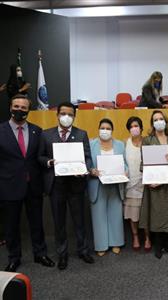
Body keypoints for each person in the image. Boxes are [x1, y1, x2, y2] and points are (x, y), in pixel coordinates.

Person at [0, 94, 54, 272]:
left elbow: (38, 157)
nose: (19, 110)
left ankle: (40, 254)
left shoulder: (37, 131)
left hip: (33, 186)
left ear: (28, 110)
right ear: (10, 107)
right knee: (11, 226)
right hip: (9, 186)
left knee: (37, 222)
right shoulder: (1, 130)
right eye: (16, 106)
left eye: (23, 108)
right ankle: (14, 257)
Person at [38, 102, 94, 270]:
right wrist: (49, 162)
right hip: (56, 185)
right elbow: (40, 156)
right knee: (59, 222)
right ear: (57, 115)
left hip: (76, 184)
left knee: (79, 221)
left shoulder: (81, 134)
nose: (66, 117)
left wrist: (85, 169)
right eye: (63, 113)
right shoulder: (46, 135)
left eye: (70, 114)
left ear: (74, 116)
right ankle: (62, 254)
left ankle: (83, 251)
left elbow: (88, 157)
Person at [139, 110, 168, 259]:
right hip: (153, 184)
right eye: (156, 119)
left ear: (165, 121)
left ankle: (167, 242)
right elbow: (144, 162)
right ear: (152, 123)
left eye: (161, 119)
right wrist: (149, 180)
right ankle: (158, 244)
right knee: (156, 214)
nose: (159, 121)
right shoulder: (148, 140)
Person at [88, 119, 126, 257]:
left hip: (115, 184)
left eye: (108, 128)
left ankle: (116, 242)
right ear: (98, 129)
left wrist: (125, 170)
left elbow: (125, 164)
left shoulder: (120, 145)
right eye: (102, 128)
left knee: (115, 215)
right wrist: (91, 170)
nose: (105, 130)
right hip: (97, 184)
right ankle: (101, 245)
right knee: (99, 216)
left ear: (112, 130)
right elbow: (86, 163)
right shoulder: (91, 144)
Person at [124, 116, 151, 251]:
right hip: (130, 184)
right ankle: (135, 237)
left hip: (146, 183)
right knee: (133, 214)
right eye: (131, 126)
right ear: (129, 129)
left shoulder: (148, 142)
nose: (134, 128)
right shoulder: (125, 143)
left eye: (137, 126)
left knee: (145, 213)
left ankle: (147, 237)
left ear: (141, 128)